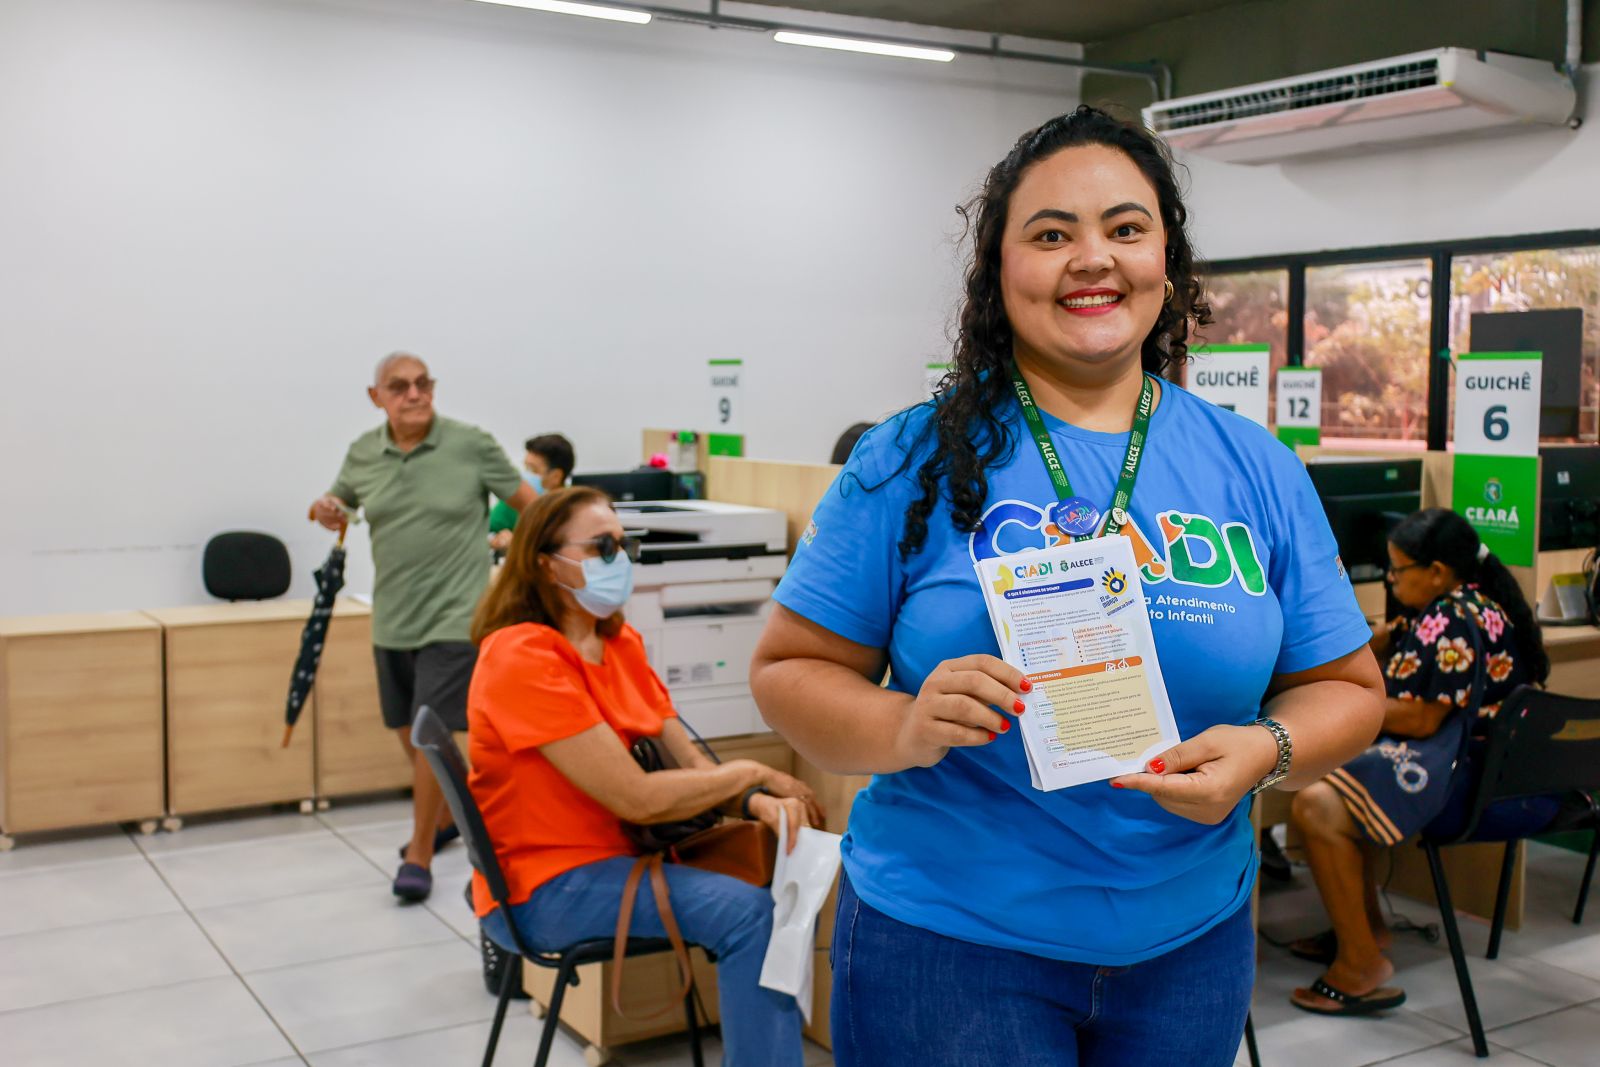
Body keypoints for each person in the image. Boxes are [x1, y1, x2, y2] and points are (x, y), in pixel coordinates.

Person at [748, 105, 1386, 1067]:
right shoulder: (907, 458)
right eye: (1052, 235)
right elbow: (788, 671)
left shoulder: (1255, 466)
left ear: (1165, 261)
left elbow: (1350, 687)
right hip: (950, 947)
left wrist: (1268, 748)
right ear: (999, 270)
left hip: (1190, 945)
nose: (1093, 258)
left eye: (1125, 228)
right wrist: (904, 725)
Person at [467, 486, 820, 1067]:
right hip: (546, 886)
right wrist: (752, 771)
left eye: (624, 545)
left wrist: (753, 800)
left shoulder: (618, 642)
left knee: (771, 885)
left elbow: (687, 760)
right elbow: (637, 798)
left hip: (620, 858)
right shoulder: (522, 656)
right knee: (747, 913)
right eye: (602, 547)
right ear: (544, 563)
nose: (620, 560)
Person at [1287, 507, 1551, 1016]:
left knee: (1317, 805)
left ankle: (1361, 963)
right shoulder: (1475, 602)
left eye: (1398, 569)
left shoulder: (1449, 619)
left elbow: (1422, 719)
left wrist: (1346, 701)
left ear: (1436, 572)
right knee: (1338, 787)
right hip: (1496, 774)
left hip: (1464, 782)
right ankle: (1363, 931)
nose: (1390, 579)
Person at [311, 352, 535, 902]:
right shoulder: (364, 451)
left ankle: (419, 853)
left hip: (457, 615)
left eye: (422, 383)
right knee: (403, 727)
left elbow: (532, 507)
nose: (414, 394)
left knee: (425, 729)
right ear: (376, 397)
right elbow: (339, 500)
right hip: (393, 616)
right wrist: (326, 508)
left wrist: (542, 567)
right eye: (399, 386)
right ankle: (452, 814)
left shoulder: (470, 444)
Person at [490, 433, 575, 550]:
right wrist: (495, 540)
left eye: (532, 469)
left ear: (556, 476)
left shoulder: (574, 508)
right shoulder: (515, 499)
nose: (525, 475)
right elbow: (481, 531)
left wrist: (518, 544)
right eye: (525, 467)